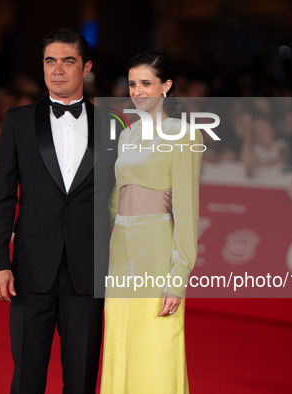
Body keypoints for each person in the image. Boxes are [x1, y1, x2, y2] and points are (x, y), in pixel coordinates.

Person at [0, 29, 118, 393]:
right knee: (27, 376)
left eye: (68, 61)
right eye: (50, 61)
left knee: (81, 378)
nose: (57, 70)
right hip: (30, 270)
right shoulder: (17, 121)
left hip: (89, 270)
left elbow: (122, 200)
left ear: (86, 67)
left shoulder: (112, 126)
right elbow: (2, 196)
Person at [100, 52, 203, 393]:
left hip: (156, 251)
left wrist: (179, 276)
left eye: (146, 83)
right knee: (120, 341)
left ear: (166, 86)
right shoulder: (128, 135)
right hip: (121, 251)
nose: (138, 91)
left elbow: (187, 210)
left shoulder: (184, 135)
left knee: (157, 345)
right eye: (132, 84)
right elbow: (115, 199)